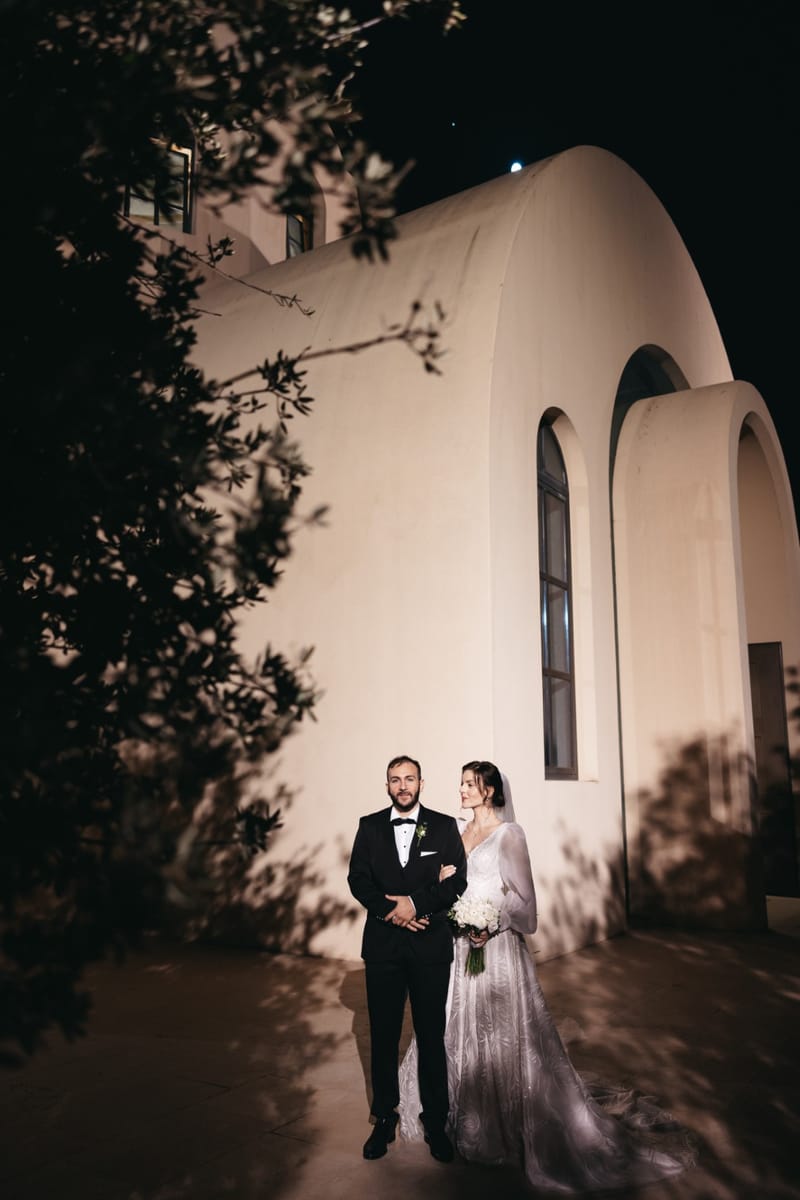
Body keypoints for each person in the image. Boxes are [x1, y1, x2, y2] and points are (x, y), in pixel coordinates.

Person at [398, 760, 695, 1192]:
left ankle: (505, 1124)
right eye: (460, 783)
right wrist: (447, 890)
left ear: (489, 791)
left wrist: (490, 923)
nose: (460, 790)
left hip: (495, 951)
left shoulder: (510, 835)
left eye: (469, 784)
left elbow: (526, 905)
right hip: (460, 951)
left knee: (501, 1035)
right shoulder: (459, 833)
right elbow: (453, 887)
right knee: (453, 1030)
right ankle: (462, 1116)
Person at [348, 754, 468, 1163]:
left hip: (429, 947)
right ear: (387, 786)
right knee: (383, 1036)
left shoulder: (445, 826)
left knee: (431, 1036)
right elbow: (357, 880)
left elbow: (457, 883)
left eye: (409, 779)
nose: (403, 786)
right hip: (382, 947)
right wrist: (391, 911)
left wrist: (415, 905)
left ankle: (436, 1121)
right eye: (395, 780)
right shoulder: (369, 827)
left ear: (421, 783)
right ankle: (384, 1118)